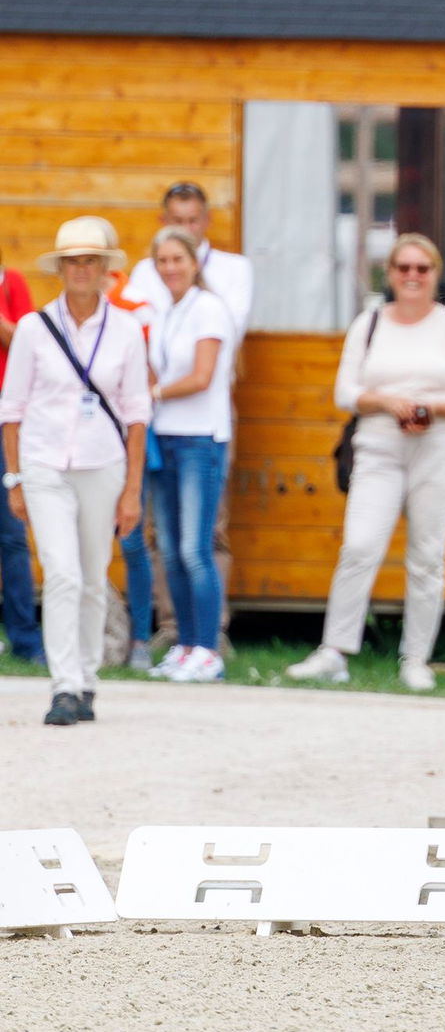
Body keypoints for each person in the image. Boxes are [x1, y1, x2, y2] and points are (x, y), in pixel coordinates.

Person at [286, 235, 445, 692]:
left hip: (437, 450)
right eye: (403, 268)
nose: (412, 276)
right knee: (359, 547)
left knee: (427, 557)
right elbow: (344, 392)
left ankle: (416, 658)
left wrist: (427, 408)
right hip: (378, 449)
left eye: (421, 268)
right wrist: (388, 402)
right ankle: (334, 651)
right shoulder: (369, 323)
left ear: (436, 274)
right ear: (390, 273)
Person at [0, 217, 151, 726]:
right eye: (73, 260)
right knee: (61, 573)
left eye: (90, 260)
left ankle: (87, 678)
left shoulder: (126, 330)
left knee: (91, 576)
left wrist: (132, 490)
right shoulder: (35, 329)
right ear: (61, 268)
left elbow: (136, 414)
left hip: (102, 464)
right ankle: (63, 684)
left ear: (105, 268)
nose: (81, 269)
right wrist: (15, 477)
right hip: (44, 464)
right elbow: (12, 407)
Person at [127, 181, 252, 647]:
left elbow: (212, 360)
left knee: (203, 538)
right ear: (163, 222)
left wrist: (152, 388)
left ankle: (208, 636)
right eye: (175, 222)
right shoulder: (151, 280)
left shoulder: (225, 282)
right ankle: (175, 632)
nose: (184, 230)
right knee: (167, 537)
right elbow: (133, 335)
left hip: (203, 425)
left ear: (205, 223)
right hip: (161, 428)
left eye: (192, 220)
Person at [143, 227, 235, 683]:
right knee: (170, 551)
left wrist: (153, 391)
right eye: (162, 260)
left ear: (194, 262)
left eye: (177, 259)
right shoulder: (166, 313)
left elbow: (202, 376)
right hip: (166, 437)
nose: (171, 268)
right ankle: (184, 646)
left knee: (195, 549)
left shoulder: (210, 308)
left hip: (202, 438)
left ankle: (208, 649)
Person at [105, 252, 159, 670]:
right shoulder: (65, 311)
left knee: (133, 540)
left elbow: (149, 373)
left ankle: (140, 637)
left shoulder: (138, 305)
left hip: (130, 435)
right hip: (83, 443)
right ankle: (99, 636)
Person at [0, 247, 46, 665]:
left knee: (12, 536)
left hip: (5, 419)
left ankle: (25, 639)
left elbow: (26, 344)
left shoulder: (11, 281)